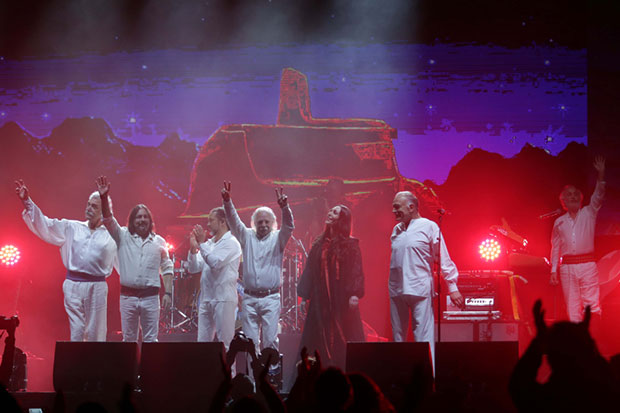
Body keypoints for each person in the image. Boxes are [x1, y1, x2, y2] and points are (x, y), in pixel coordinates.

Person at [15, 179, 116, 341]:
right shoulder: (71, 227)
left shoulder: (111, 235)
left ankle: (94, 364)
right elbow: (46, 224)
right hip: (73, 284)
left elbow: (125, 259)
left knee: (95, 334)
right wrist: (27, 201)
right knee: (77, 332)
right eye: (88, 204)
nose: (89, 208)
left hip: (97, 286)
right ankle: (75, 364)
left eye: (94, 206)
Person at [389, 191, 463, 365]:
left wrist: (452, 287)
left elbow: (443, 256)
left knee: (423, 338)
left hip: (419, 288)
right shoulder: (396, 229)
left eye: (397, 207)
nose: (393, 211)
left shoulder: (429, 226)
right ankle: (399, 378)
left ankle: (429, 378)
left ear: (411, 206)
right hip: (397, 289)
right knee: (397, 337)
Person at [96, 176, 173, 342]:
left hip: (151, 298)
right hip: (128, 297)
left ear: (150, 220)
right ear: (132, 220)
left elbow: (167, 268)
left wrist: (168, 293)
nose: (142, 220)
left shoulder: (159, 242)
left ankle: (149, 369)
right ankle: (130, 369)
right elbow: (108, 220)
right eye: (138, 217)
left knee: (151, 339)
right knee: (129, 339)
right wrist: (103, 198)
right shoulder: (122, 236)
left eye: (145, 217)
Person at [221, 182, 294, 353]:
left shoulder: (278, 238)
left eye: (266, 222)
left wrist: (285, 208)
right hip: (250, 299)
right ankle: (252, 380)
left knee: (270, 342)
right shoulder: (246, 236)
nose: (263, 225)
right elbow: (233, 220)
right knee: (250, 344)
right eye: (259, 221)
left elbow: (289, 226)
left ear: (273, 223)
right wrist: (227, 202)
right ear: (254, 223)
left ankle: (269, 379)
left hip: (271, 298)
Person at [297, 205, 365, 368]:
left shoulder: (350, 245)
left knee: (344, 333)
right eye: (331, 210)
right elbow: (310, 271)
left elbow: (356, 270)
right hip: (320, 301)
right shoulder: (319, 244)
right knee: (318, 335)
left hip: (341, 299)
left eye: (335, 212)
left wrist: (354, 293)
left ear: (342, 220)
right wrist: (305, 296)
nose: (330, 213)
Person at [550, 156, 606, 323]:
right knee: (572, 308)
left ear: (581, 198)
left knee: (592, 305)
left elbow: (598, 195)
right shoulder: (559, 222)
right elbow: (555, 247)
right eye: (569, 195)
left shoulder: (589, 212)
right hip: (567, 268)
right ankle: (577, 344)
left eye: (575, 194)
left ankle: (593, 340)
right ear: (564, 201)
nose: (573, 196)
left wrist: (601, 174)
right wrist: (553, 270)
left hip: (587, 265)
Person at [187, 207, 242, 350]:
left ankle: (228, 373)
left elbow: (215, 263)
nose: (208, 224)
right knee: (203, 345)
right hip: (206, 299)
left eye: (211, 220)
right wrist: (193, 251)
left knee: (225, 346)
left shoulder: (232, 242)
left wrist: (201, 244)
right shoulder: (209, 244)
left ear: (223, 221)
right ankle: (206, 373)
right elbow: (193, 268)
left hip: (223, 299)